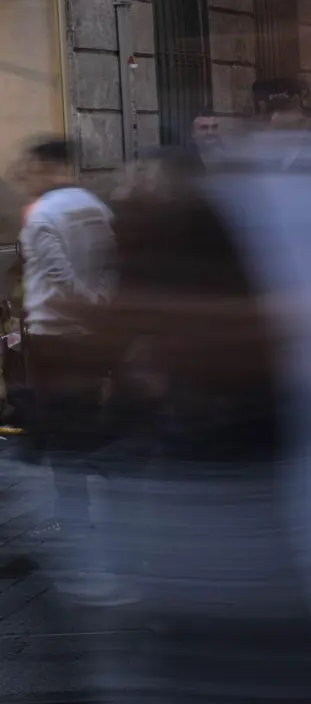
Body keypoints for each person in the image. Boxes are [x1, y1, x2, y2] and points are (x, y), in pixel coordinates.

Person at [14, 138, 118, 602]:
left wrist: (84, 307)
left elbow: (59, 278)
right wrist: (101, 309)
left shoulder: (42, 214)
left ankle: (72, 517)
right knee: (82, 421)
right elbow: (111, 266)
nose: (25, 174)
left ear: (46, 165)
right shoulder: (95, 207)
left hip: (54, 337)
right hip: (91, 334)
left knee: (61, 431)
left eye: (30, 165)